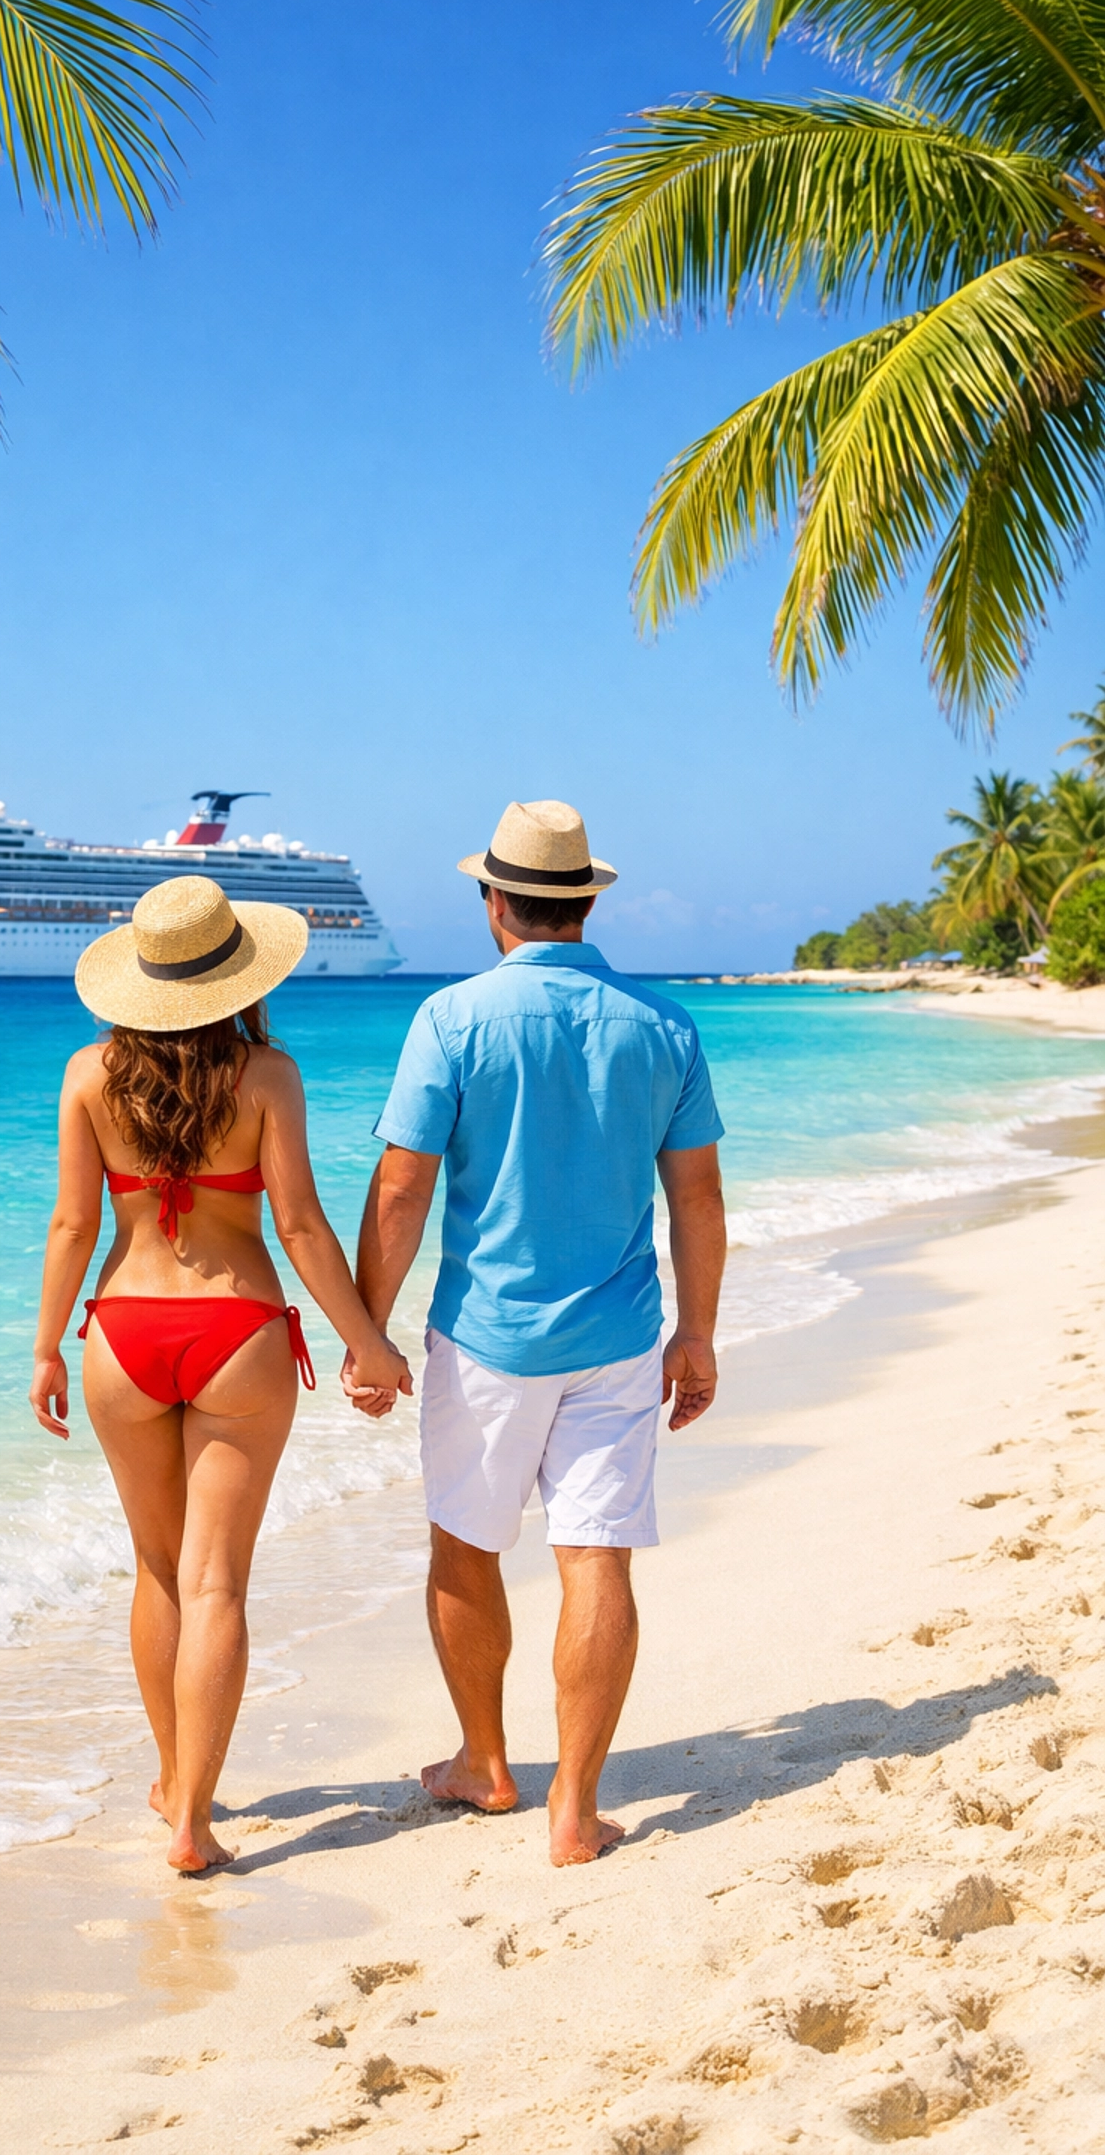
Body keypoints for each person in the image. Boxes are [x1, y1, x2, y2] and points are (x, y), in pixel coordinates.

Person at [349, 800, 726, 1867]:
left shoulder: (451, 1020)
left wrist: (365, 1333)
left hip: (486, 1345)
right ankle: (577, 1808)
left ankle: (485, 1763)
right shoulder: (662, 1024)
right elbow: (696, 1199)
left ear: (493, 904)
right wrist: (696, 1335)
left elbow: (402, 1188)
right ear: (585, 901)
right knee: (596, 1557)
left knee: (467, 1548)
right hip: (617, 1336)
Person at [30, 874, 409, 1873]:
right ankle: (195, 1817)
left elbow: (73, 1225)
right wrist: (366, 1340)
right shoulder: (268, 1076)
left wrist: (43, 1348)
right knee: (216, 1586)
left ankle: (171, 1784)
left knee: (157, 1573)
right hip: (238, 1331)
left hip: (119, 1336)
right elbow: (297, 1225)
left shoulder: (86, 1074)